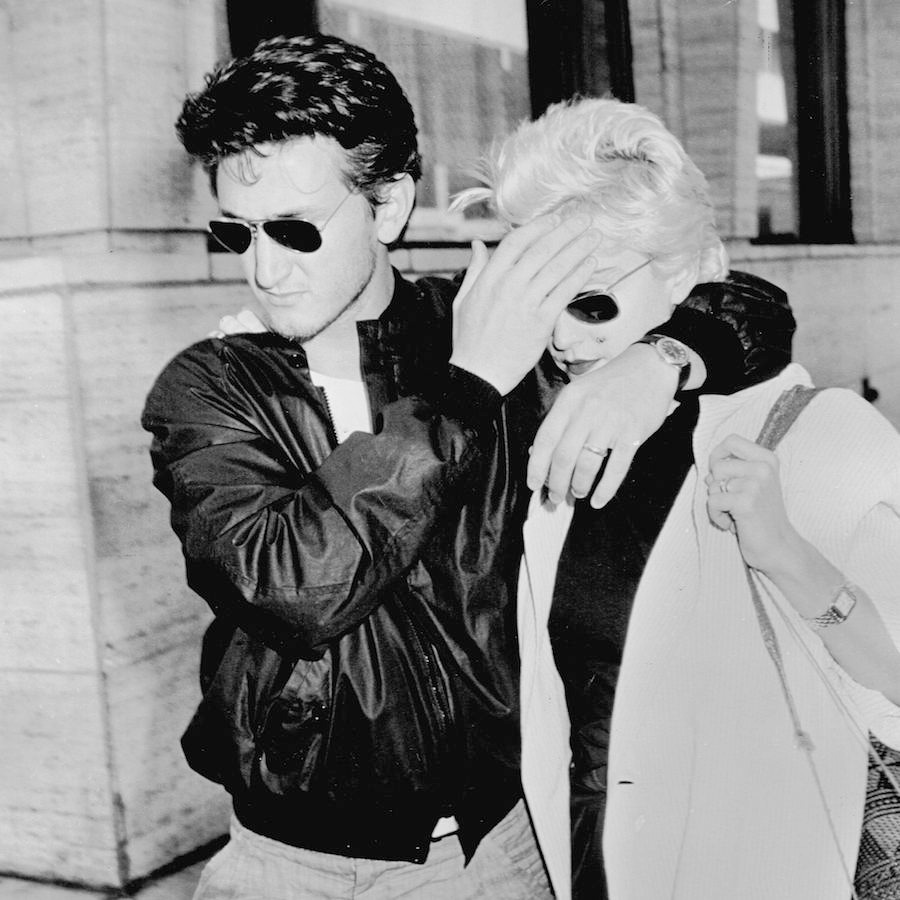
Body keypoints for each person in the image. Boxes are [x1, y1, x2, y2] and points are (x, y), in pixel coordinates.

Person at [142, 34, 794, 899]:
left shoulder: (491, 321)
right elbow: (294, 588)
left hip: (494, 849)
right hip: (289, 861)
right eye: (238, 233)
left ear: (389, 206)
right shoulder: (212, 385)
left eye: (296, 230)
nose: (266, 269)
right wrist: (467, 385)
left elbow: (744, 301)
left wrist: (664, 359)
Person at [459, 96, 900, 899]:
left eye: (593, 302)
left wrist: (790, 558)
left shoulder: (816, 435)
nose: (563, 338)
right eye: (542, 302)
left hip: (768, 862)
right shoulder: (545, 431)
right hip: (593, 857)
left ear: (693, 274)